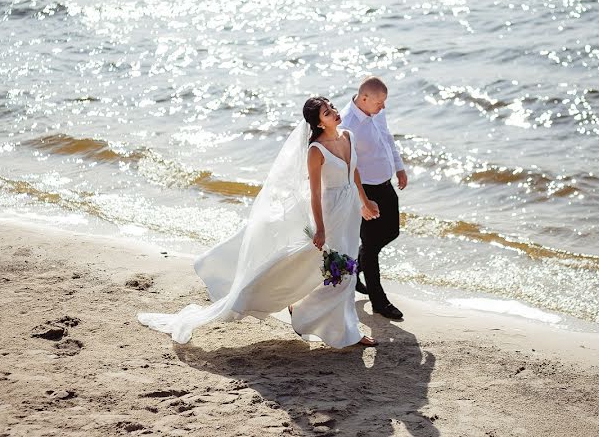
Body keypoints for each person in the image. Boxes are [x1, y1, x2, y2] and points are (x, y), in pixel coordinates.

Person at [137, 96, 379, 348]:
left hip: (350, 210)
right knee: (343, 270)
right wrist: (319, 228)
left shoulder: (348, 136)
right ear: (318, 124)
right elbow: (316, 194)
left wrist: (365, 201)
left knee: (338, 266)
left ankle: (305, 310)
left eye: (332, 109)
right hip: (330, 213)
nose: (334, 113)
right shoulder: (316, 151)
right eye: (327, 113)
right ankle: (338, 327)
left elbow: (354, 170)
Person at [339, 77, 407, 321]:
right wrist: (362, 202)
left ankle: (357, 266)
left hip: (384, 184)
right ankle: (379, 301)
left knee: (391, 232)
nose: (383, 107)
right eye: (380, 102)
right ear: (364, 98)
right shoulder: (347, 125)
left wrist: (399, 167)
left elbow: (387, 138)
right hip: (365, 190)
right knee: (372, 245)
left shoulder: (375, 111)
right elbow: (347, 168)